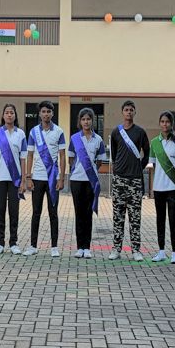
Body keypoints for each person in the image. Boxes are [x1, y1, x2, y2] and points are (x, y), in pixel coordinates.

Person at [109, 100, 150, 261]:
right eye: (126, 109)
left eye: (131, 110)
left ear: (134, 112)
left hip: (135, 181)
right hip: (119, 180)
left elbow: (146, 153)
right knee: (118, 216)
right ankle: (116, 249)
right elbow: (114, 154)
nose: (129, 112)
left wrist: (138, 168)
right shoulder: (116, 132)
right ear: (122, 112)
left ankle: (136, 250)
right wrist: (118, 169)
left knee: (135, 217)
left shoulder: (140, 132)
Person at [24, 100, 66, 257]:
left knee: (53, 213)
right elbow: (29, 155)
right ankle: (33, 246)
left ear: (52, 113)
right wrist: (28, 177)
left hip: (53, 178)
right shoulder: (33, 132)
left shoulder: (59, 131)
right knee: (36, 212)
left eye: (49, 111)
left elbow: (62, 156)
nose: (46, 114)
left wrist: (61, 178)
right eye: (43, 111)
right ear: (40, 114)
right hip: (37, 178)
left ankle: (54, 247)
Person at [68, 108, 107, 259]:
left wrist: (91, 172)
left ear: (92, 121)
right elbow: (71, 159)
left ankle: (87, 247)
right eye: (83, 119)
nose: (86, 122)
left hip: (91, 181)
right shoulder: (74, 139)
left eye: (88, 119)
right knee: (79, 213)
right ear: (80, 121)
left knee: (88, 213)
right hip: (77, 180)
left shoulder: (98, 140)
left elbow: (100, 161)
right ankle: (79, 247)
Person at [0, 104, 27, 255]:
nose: (9, 115)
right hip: (0, 178)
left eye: (12, 112)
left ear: (15, 115)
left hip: (15, 179)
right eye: (7, 112)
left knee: (14, 211)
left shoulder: (21, 134)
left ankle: (13, 242)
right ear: (3, 115)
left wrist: (23, 180)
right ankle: (0, 243)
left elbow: (23, 159)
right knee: (0, 210)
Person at [148, 111, 175, 265]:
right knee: (160, 220)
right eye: (162, 121)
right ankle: (161, 251)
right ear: (159, 123)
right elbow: (154, 165)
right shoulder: (154, 142)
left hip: (173, 187)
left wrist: (174, 176)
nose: (165, 124)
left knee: (173, 221)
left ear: (171, 124)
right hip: (159, 188)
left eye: (167, 121)